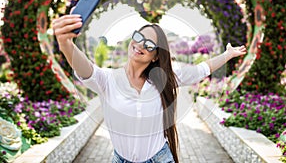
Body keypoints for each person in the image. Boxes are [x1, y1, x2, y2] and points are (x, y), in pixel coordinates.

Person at [52, 14, 246, 163]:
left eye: (149, 44)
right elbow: (86, 69)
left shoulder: (165, 79)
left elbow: (202, 69)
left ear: (155, 56)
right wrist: (65, 44)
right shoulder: (108, 79)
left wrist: (228, 55)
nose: (140, 44)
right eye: (138, 37)